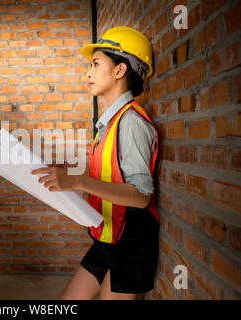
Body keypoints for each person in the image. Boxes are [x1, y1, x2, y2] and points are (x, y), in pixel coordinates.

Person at [30, 26, 159, 300]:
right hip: (107, 238)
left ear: (119, 70)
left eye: (96, 63)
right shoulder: (109, 123)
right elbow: (111, 174)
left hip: (132, 243)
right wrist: (70, 172)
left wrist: (78, 181)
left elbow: (140, 197)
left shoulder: (131, 123)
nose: (88, 72)